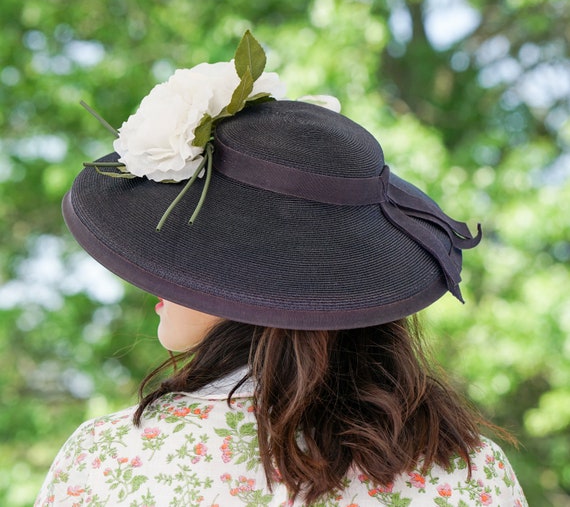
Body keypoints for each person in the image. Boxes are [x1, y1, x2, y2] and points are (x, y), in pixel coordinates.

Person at [35, 33, 528, 506]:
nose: (152, 280)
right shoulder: (470, 470)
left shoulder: (112, 460)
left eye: (189, 252)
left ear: (250, 277)